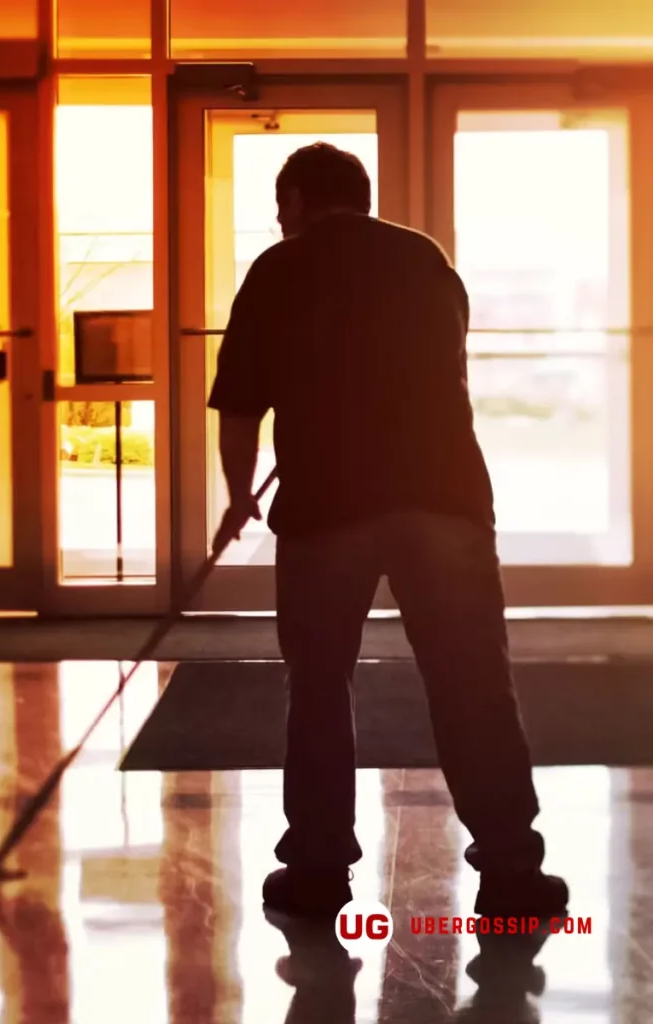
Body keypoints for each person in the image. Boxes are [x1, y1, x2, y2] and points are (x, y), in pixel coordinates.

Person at [208, 142, 569, 921]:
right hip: (443, 497)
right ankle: (511, 871)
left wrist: (239, 496)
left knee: (318, 687)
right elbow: (439, 368)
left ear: (299, 200)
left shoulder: (278, 269)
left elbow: (239, 405)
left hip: (326, 506)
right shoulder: (426, 260)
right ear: (362, 198)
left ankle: (315, 871)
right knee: (473, 683)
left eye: (282, 207)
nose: (281, 221)